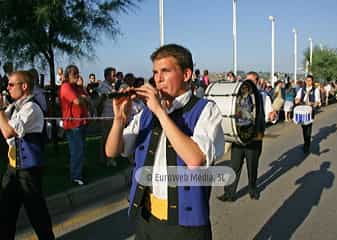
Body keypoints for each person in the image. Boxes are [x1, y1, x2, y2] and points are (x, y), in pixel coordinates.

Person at [105, 43, 224, 239]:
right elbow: (111, 151)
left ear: (186, 75)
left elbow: (195, 160)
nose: (157, 79)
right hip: (146, 218)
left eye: (165, 71)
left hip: (184, 227)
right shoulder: (147, 113)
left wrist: (160, 112)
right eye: (155, 72)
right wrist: (119, 118)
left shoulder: (206, 110)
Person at [0, 71, 55, 239]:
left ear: (24, 86)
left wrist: (0, 109)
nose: (7, 88)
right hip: (13, 168)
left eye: (11, 84)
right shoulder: (14, 107)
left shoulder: (31, 108)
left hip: (29, 171)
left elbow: (9, 132)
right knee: (5, 214)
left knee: (37, 215)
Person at [218, 71, 265, 202]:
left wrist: (272, 117)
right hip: (239, 137)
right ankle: (229, 194)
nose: (248, 84)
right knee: (234, 166)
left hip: (254, 138)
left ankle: (253, 189)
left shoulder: (263, 96)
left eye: (252, 81)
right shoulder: (237, 97)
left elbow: (267, 114)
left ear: (257, 82)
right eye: (247, 81)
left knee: (252, 166)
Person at [59, 65, 89, 185]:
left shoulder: (77, 87)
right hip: (72, 124)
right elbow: (77, 101)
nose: (77, 76)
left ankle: (79, 171)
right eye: (74, 74)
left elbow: (88, 98)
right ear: (67, 75)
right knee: (76, 150)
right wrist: (82, 98)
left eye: (77, 73)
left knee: (81, 150)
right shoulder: (66, 87)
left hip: (82, 122)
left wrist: (82, 94)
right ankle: (76, 176)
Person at [294, 75, 321, 153]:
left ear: (312, 81)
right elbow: (297, 98)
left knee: (308, 127)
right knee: (304, 127)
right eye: (307, 80)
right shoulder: (301, 90)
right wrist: (297, 100)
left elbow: (317, 102)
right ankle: (306, 141)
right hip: (302, 110)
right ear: (305, 81)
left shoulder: (315, 90)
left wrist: (312, 104)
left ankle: (307, 144)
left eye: (310, 80)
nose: (308, 82)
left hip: (310, 111)